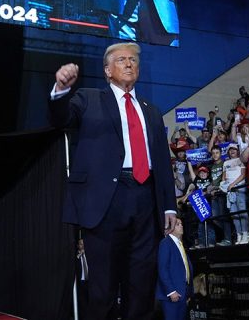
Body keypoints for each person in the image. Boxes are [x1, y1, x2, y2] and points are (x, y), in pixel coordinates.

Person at [49, 43, 176, 320]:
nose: (129, 64)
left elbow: (162, 162)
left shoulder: (151, 111)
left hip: (146, 200)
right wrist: (60, 90)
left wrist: (169, 206)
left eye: (133, 60)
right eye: (121, 60)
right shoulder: (88, 98)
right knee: (103, 286)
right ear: (107, 71)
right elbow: (60, 119)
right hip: (105, 200)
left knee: (142, 283)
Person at [156, 217, 193, 320]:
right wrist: (171, 291)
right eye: (178, 224)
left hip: (183, 293)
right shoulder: (165, 243)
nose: (181, 226)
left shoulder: (180, 244)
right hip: (172, 294)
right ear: (170, 228)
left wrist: (188, 291)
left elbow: (185, 268)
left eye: (181, 224)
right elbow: (162, 269)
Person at [75, 239, 88, 314]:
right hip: (81, 282)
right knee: (83, 302)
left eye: (83, 244)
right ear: (78, 246)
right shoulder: (76, 256)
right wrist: (80, 255)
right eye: (81, 244)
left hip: (89, 281)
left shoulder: (88, 254)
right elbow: (74, 264)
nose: (82, 246)